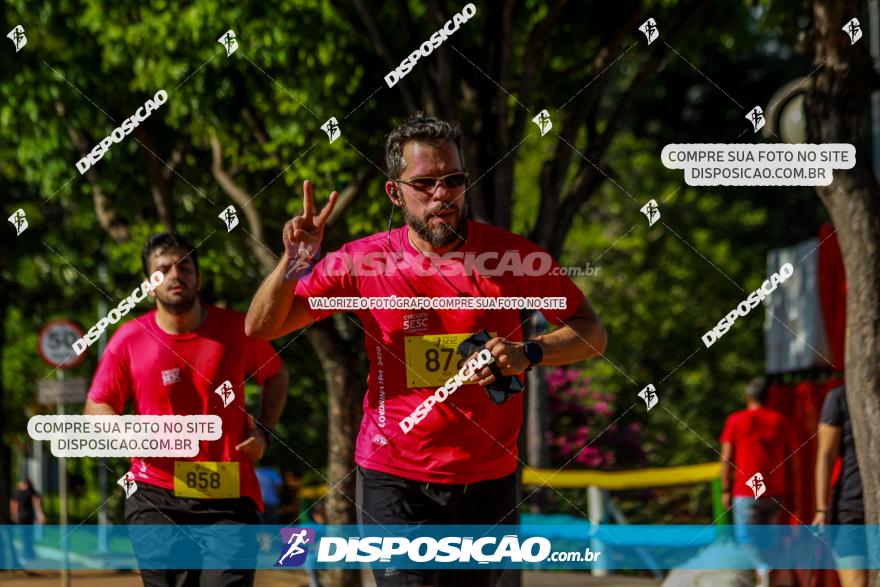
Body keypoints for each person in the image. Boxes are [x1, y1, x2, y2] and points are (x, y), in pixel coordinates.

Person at [246, 112, 607, 586]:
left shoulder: (514, 258)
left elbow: (592, 333)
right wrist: (292, 265)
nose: (443, 194)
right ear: (395, 193)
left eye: (453, 180)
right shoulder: (363, 262)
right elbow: (261, 327)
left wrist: (530, 351)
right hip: (394, 477)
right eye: (425, 183)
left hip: (488, 480)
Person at [84, 232, 289, 587]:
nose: (175, 275)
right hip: (156, 494)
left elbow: (277, 375)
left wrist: (264, 431)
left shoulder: (237, 331)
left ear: (198, 278)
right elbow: (96, 406)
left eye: (184, 267)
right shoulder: (129, 339)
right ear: (149, 285)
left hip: (227, 495)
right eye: (163, 269)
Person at [719, 377, 794, 587]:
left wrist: (725, 488)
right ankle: (767, 574)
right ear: (768, 398)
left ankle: (761, 570)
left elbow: (726, 458)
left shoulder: (735, 420)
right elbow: (791, 461)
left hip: (745, 490)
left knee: (746, 540)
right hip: (775, 491)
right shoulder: (780, 421)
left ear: (748, 397)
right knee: (769, 540)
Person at [812, 385, 867, 587]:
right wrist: (821, 509)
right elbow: (825, 456)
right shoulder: (840, 397)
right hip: (850, 509)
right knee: (856, 583)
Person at [9, 478, 45, 561]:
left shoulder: (18, 492)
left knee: (24, 536)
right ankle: (29, 553)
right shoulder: (31, 491)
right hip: (28, 517)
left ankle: (26, 554)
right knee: (28, 536)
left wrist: (14, 515)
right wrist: (40, 514)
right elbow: (37, 503)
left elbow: (13, 503)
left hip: (23, 517)